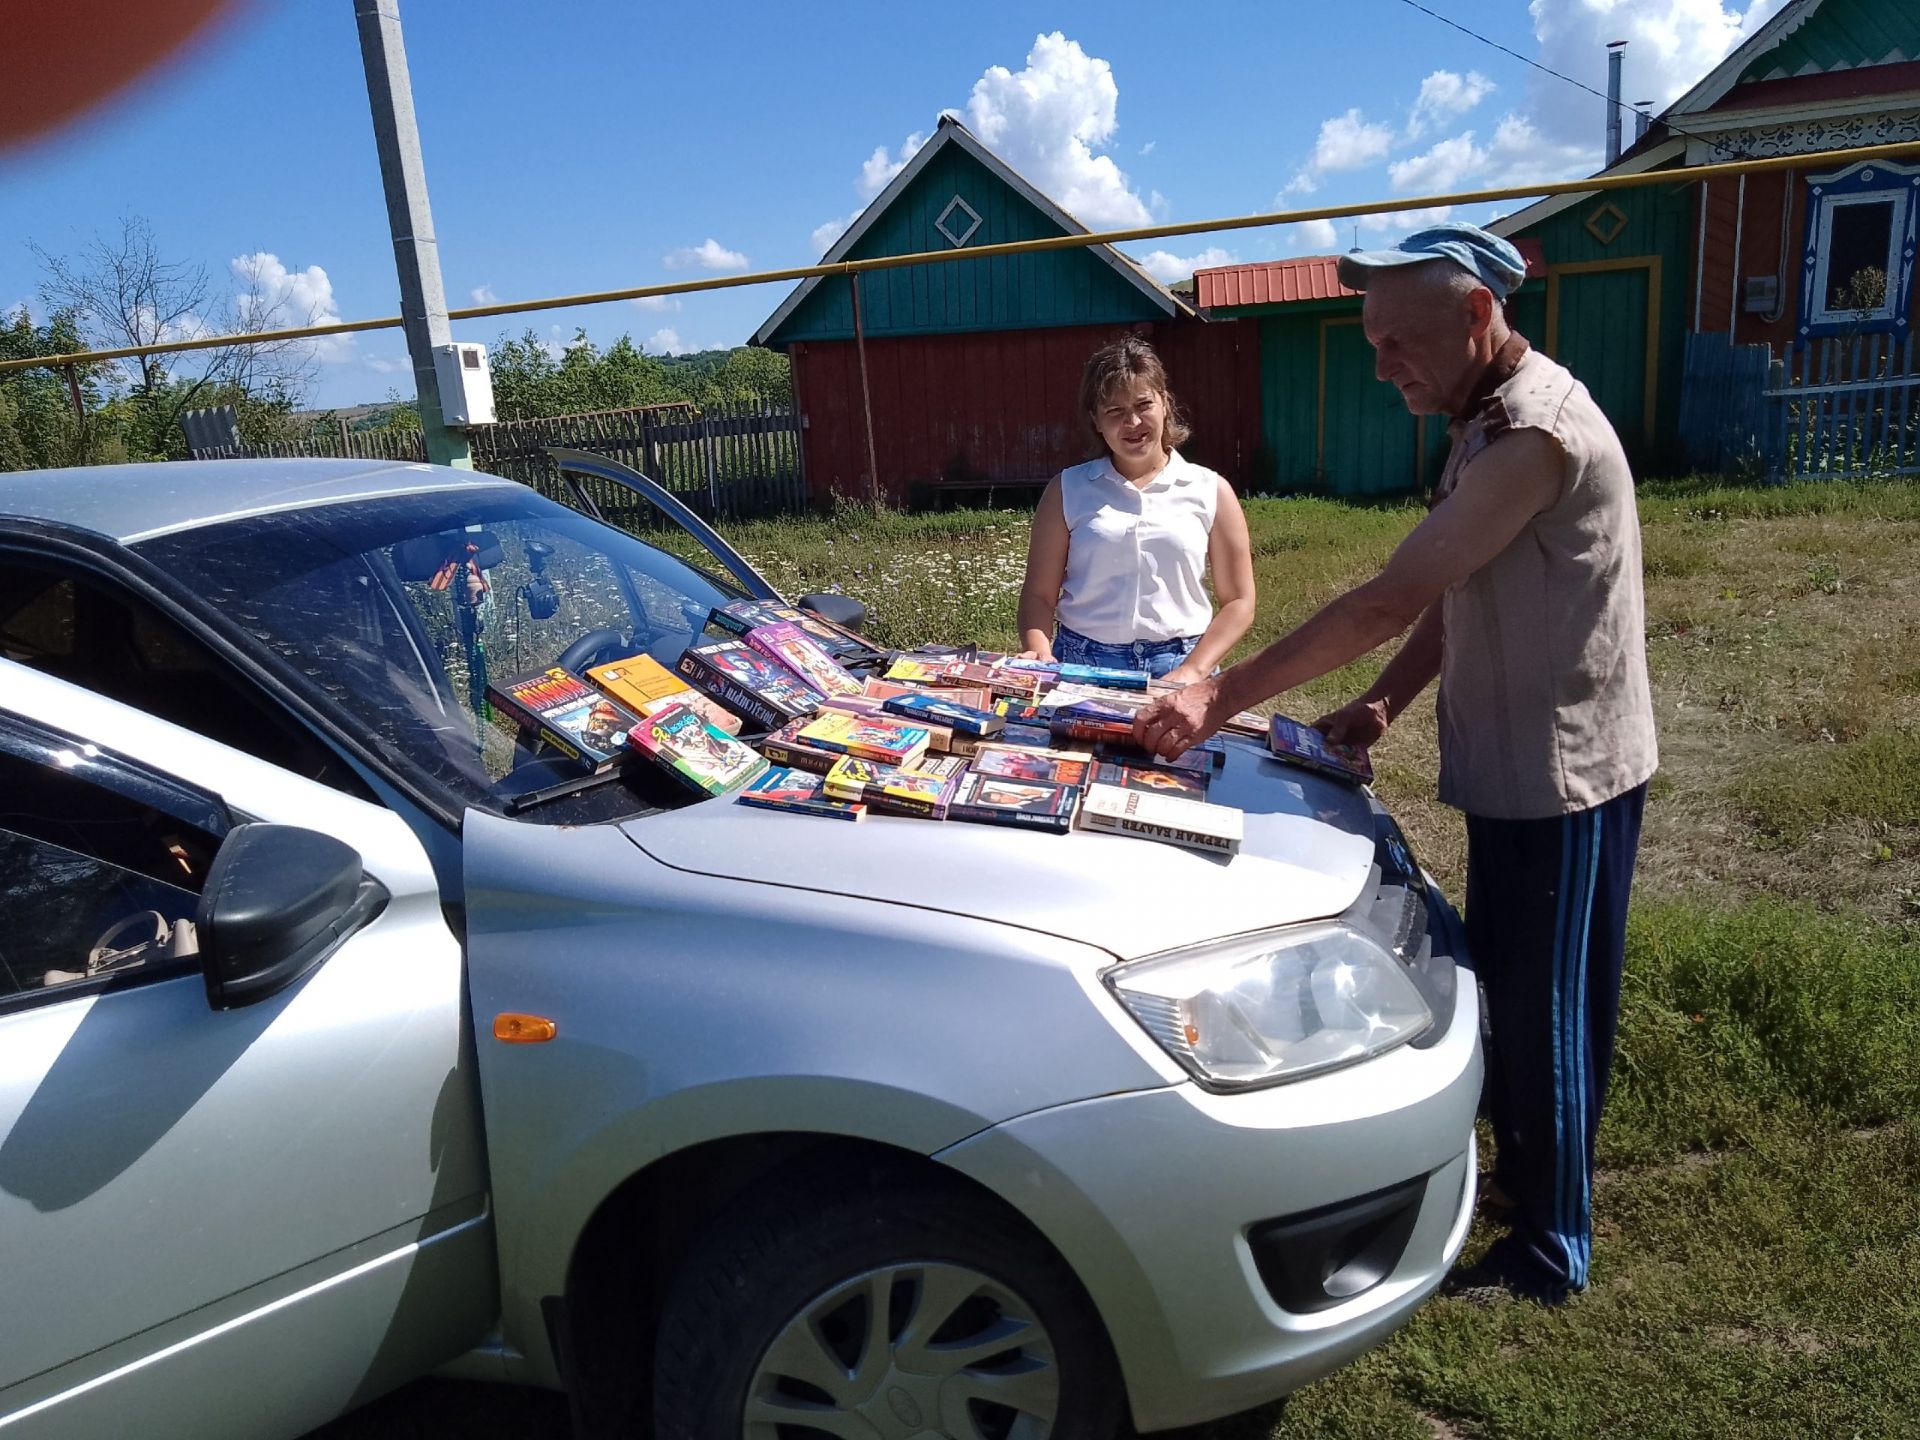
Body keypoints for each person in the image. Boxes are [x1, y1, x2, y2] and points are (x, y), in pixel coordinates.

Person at [1133, 222, 1657, 1307]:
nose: (1381, 367)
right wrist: (1383, 699)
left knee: (1546, 997)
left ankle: (1552, 1250)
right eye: (1370, 344)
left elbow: (1391, 595)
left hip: (1566, 773)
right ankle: (1536, 1177)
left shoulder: (1532, 435)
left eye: (1397, 342)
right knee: (1523, 980)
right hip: (1516, 756)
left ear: (1477, 316)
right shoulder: (1480, 416)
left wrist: (1216, 693)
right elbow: (1461, 591)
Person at [1016, 336, 1255, 683]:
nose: (1133, 422)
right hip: (1082, 665)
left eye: (1143, 404)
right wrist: (1039, 651)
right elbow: (1038, 594)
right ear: (1095, 421)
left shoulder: (1210, 489)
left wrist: (1193, 669)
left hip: (1183, 665)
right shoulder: (1066, 490)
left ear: (1165, 404)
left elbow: (1240, 601)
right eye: (1115, 411)